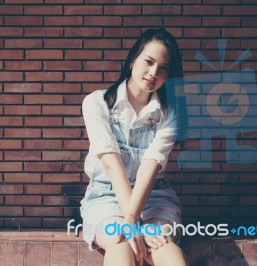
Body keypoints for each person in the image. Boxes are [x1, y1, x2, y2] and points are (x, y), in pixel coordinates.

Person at [80, 28, 188, 266]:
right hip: (105, 195)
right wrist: (130, 221)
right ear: (132, 61)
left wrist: (133, 216)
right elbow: (111, 162)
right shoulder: (97, 102)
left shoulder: (171, 113)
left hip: (155, 196)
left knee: (161, 243)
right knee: (120, 241)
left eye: (163, 68)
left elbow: (150, 166)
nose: (153, 73)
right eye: (148, 62)